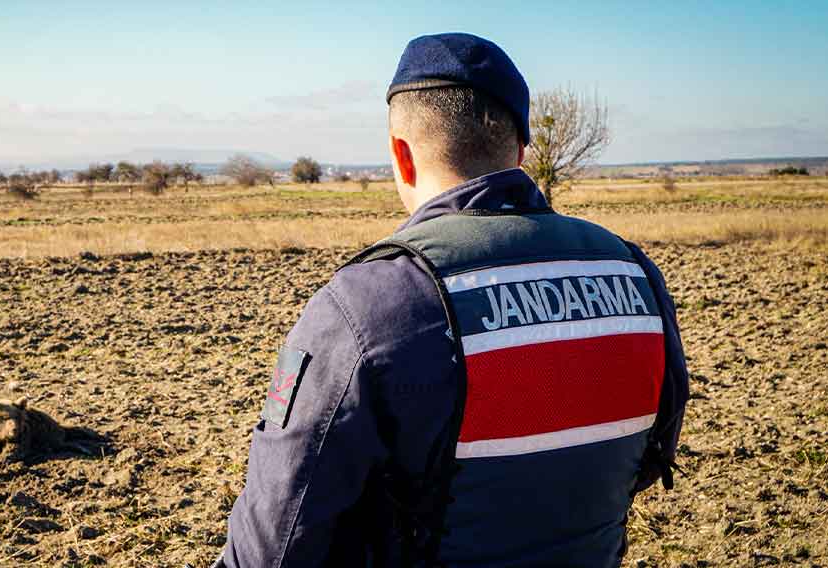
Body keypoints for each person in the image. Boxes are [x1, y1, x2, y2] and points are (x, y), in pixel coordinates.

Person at [214, 33, 688, 567]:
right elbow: (651, 456)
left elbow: (273, 541)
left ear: (401, 153)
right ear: (521, 151)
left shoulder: (370, 301)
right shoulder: (634, 274)